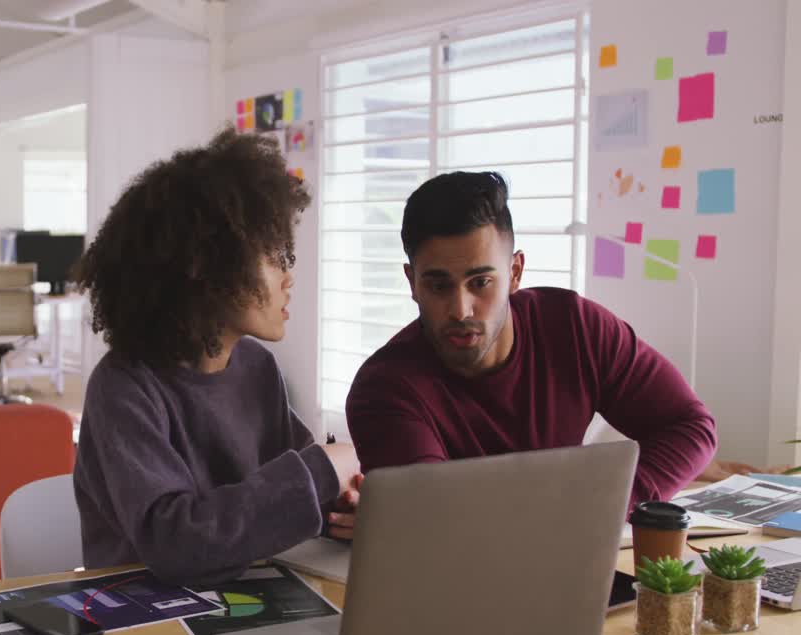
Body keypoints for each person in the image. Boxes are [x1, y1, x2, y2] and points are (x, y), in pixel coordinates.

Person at [73, 129, 362, 585]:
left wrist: (339, 508)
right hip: (144, 612)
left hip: (246, 596)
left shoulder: (257, 368)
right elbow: (174, 543)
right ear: (207, 268)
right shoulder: (124, 387)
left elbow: (279, 502)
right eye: (273, 257)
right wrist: (319, 472)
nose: (288, 278)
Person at [345, 171, 717, 510]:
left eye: (481, 282)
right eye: (439, 285)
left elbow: (690, 427)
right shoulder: (383, 389)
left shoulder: (576, 328)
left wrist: (607, 509)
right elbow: (436, 516)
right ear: (412, 283)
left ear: (515, 272)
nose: (461, 310)